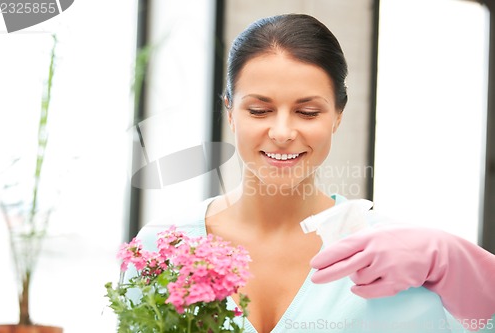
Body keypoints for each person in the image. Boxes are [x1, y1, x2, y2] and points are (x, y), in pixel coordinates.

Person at [135, 13, 495, 333]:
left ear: (338, 115)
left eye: (308, 113)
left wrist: (455, 265)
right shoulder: (161, 248)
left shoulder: (399, 257)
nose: (282, 132)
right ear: (229, 111)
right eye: (259, 110)